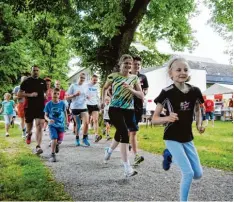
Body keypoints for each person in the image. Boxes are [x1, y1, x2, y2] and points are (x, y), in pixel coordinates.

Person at [152, 57, 205, 201]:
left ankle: (170, 156)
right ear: (171, 73)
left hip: (187, 137)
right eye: (178, 70)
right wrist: (167, 118)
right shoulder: (166, 92)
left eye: (185, 69)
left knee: (198, 174)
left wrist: (198, 124)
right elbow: (154, 119)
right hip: (172, 136)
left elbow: (198, 109)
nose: (182, 72)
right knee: (188, 173)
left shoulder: (195, 91)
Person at [101, 54, 144, 177]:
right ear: (120, 64)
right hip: (115, 109)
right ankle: (127, 168)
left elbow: (141, 95)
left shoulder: (134, 78)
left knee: (119, 133)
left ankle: (109, 151)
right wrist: (103, 101)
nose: (128, 66)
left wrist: (132, 90)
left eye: (130, 64)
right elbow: (104, 88)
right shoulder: (113, 76)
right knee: (124, 133)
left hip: (129, 110)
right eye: (126, 63)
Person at [18, 65, 47, 155]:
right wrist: (30, 95)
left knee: (39, 126)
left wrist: (45, 97)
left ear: (39, 71)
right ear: (31, 71)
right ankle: (29, 134)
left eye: (37, 70)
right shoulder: (26, 82)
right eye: (34, 70)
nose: (36, 72)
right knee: (29, 127)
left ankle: (38, 146)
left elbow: (45, 92)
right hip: (29, 107)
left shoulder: (43, 82)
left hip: (40, 107)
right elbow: (19, 94)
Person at [129, 56, 149, 166]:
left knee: (132, 128)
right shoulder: (126, 76)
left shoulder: (143, 77)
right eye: (135, 64)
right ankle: (136, 155)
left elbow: (146, 88)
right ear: (131, 65)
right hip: (127, 105)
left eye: (138, 64)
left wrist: (143, 93)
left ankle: (128, 144)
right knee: (133, 131)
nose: (137, 66)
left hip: (139, 106)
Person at [44, 88, 68, 162]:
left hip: (61, 125)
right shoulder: (48, 104)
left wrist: (66, 121)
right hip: (52, 125)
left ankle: (56, 144)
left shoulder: (62, 103)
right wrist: (48, 120)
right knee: (54, 138)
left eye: (58, 94)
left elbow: (65, 113)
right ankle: (53, 154)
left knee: (59, 141)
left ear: (59, 94)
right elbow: (45, 115)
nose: (56, 95)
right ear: (51, 94)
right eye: (54, 93)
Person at [66, 72, 90, 146]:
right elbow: (66, 97)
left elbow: (85, 95)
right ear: (78, 78)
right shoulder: (73, 86)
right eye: (81, 78)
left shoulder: (85, 86)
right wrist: (75, 95)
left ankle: (84, 138)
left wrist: (87, 97)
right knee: (78, 125)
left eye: (83, 78)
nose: (82, 79)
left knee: (86, 122)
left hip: (83, 107)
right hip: (75, 107)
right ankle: (77, 139)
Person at [86, 74, 102, 142]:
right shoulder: (86, 85)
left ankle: (96, 135)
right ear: (91, 79)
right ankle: (85, 135)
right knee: (86, 121)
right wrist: (86, 96)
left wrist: (99, 104)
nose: (95, 81)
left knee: (95, 120)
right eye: (94, 80)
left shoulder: (97, 86)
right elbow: (83, 93)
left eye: (96, 80)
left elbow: (98, 95)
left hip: (95, 104)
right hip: (87, 104)